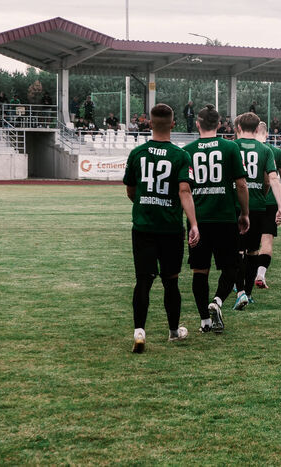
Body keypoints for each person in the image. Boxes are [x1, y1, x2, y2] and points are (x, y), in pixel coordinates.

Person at [123, 103, 198, 353]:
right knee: (171, 281)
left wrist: (146, 203)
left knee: (143, 281)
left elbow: (131, 191)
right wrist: (194, 224)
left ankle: (139, 331)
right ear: (173, 124)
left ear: (149, 124)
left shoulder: (137, 153)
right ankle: (174, 331)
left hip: (143, 227)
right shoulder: (180, 156)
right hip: (170, 229)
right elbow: (184, 191)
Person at [183, 105, 250, 333]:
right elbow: (241, 184)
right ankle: (218, 301)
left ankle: (205, 321)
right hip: (225, 218)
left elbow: (183, 189)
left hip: (198, 220)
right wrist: (245, 213)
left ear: (198, 124)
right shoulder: (230, 147)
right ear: (220, 124)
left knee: (199, 271)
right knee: (230, 267)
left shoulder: (188, 150)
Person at [233, 112, 281, 307]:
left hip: (236, 205)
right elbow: (272, 178)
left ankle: (240, 291)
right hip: (257, 206)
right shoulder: (265, 150)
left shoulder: (232, 147)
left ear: (238, 128)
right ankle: (249, 292)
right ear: (257, 129)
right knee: (253, 251)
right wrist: (279, 205)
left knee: (238, 250)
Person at [254, 122, 281, 288]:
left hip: (249, 201)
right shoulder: (275, 152)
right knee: (266, 241)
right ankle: (260, 274)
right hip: (269, 202)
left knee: (245, 244)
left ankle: (239, 280)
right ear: (266, 134)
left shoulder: (240, 148)